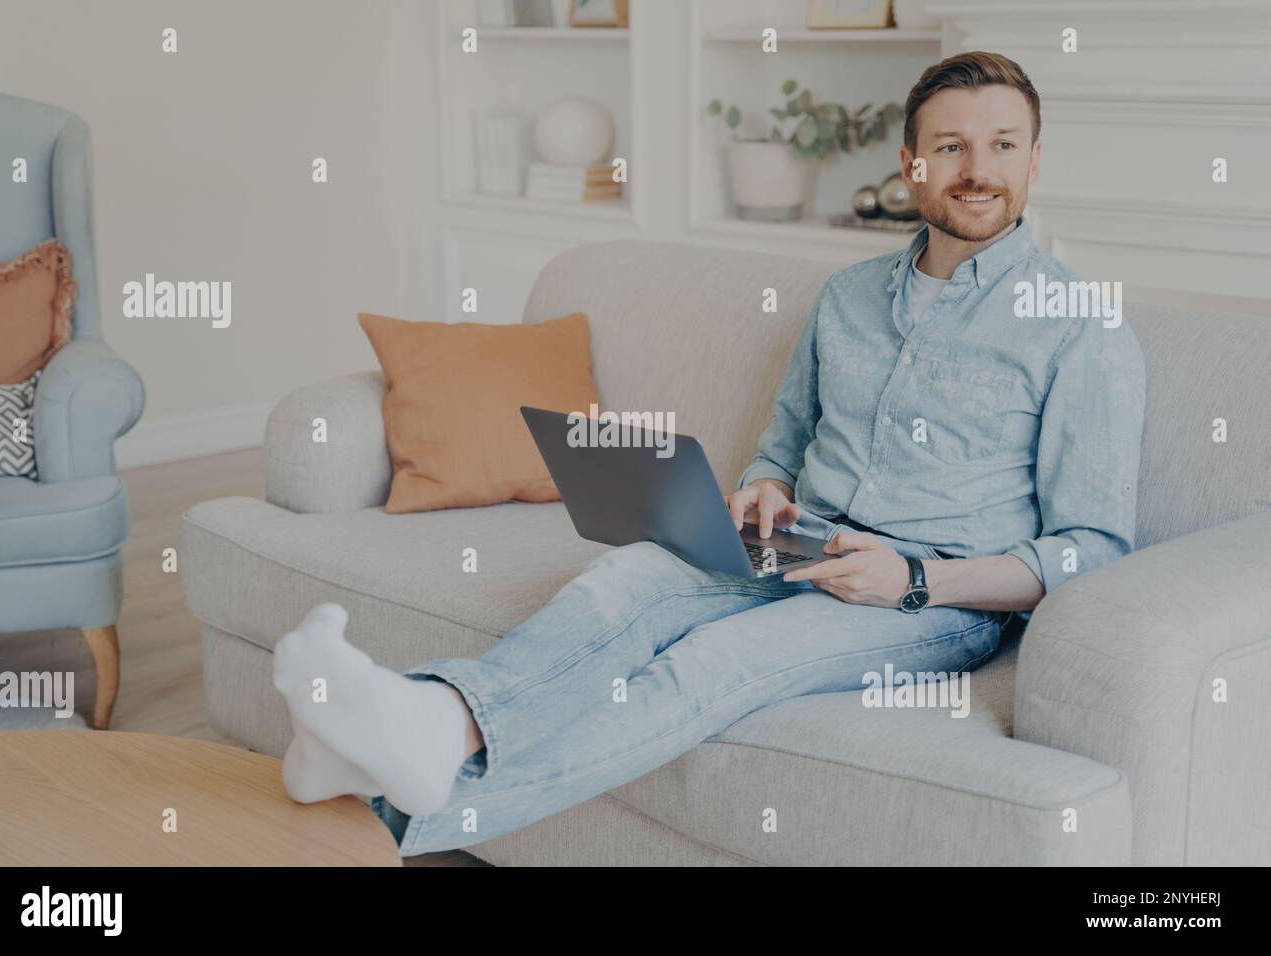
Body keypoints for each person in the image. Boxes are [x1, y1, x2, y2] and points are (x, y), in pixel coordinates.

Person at [271, 51, 1146, 858]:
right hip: (800, 541)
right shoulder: (847, 298)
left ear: (1035, 159)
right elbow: (782, 446)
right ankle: (433, 720)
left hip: (929, 599)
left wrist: (912, 580)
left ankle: (377, 822)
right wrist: (762, 490)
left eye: (1002, 144)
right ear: (910, 163)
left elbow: (1091, 550)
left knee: (704, 667)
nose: (976, 169)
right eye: (950, 145)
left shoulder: (1082, 328)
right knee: (623, 582)